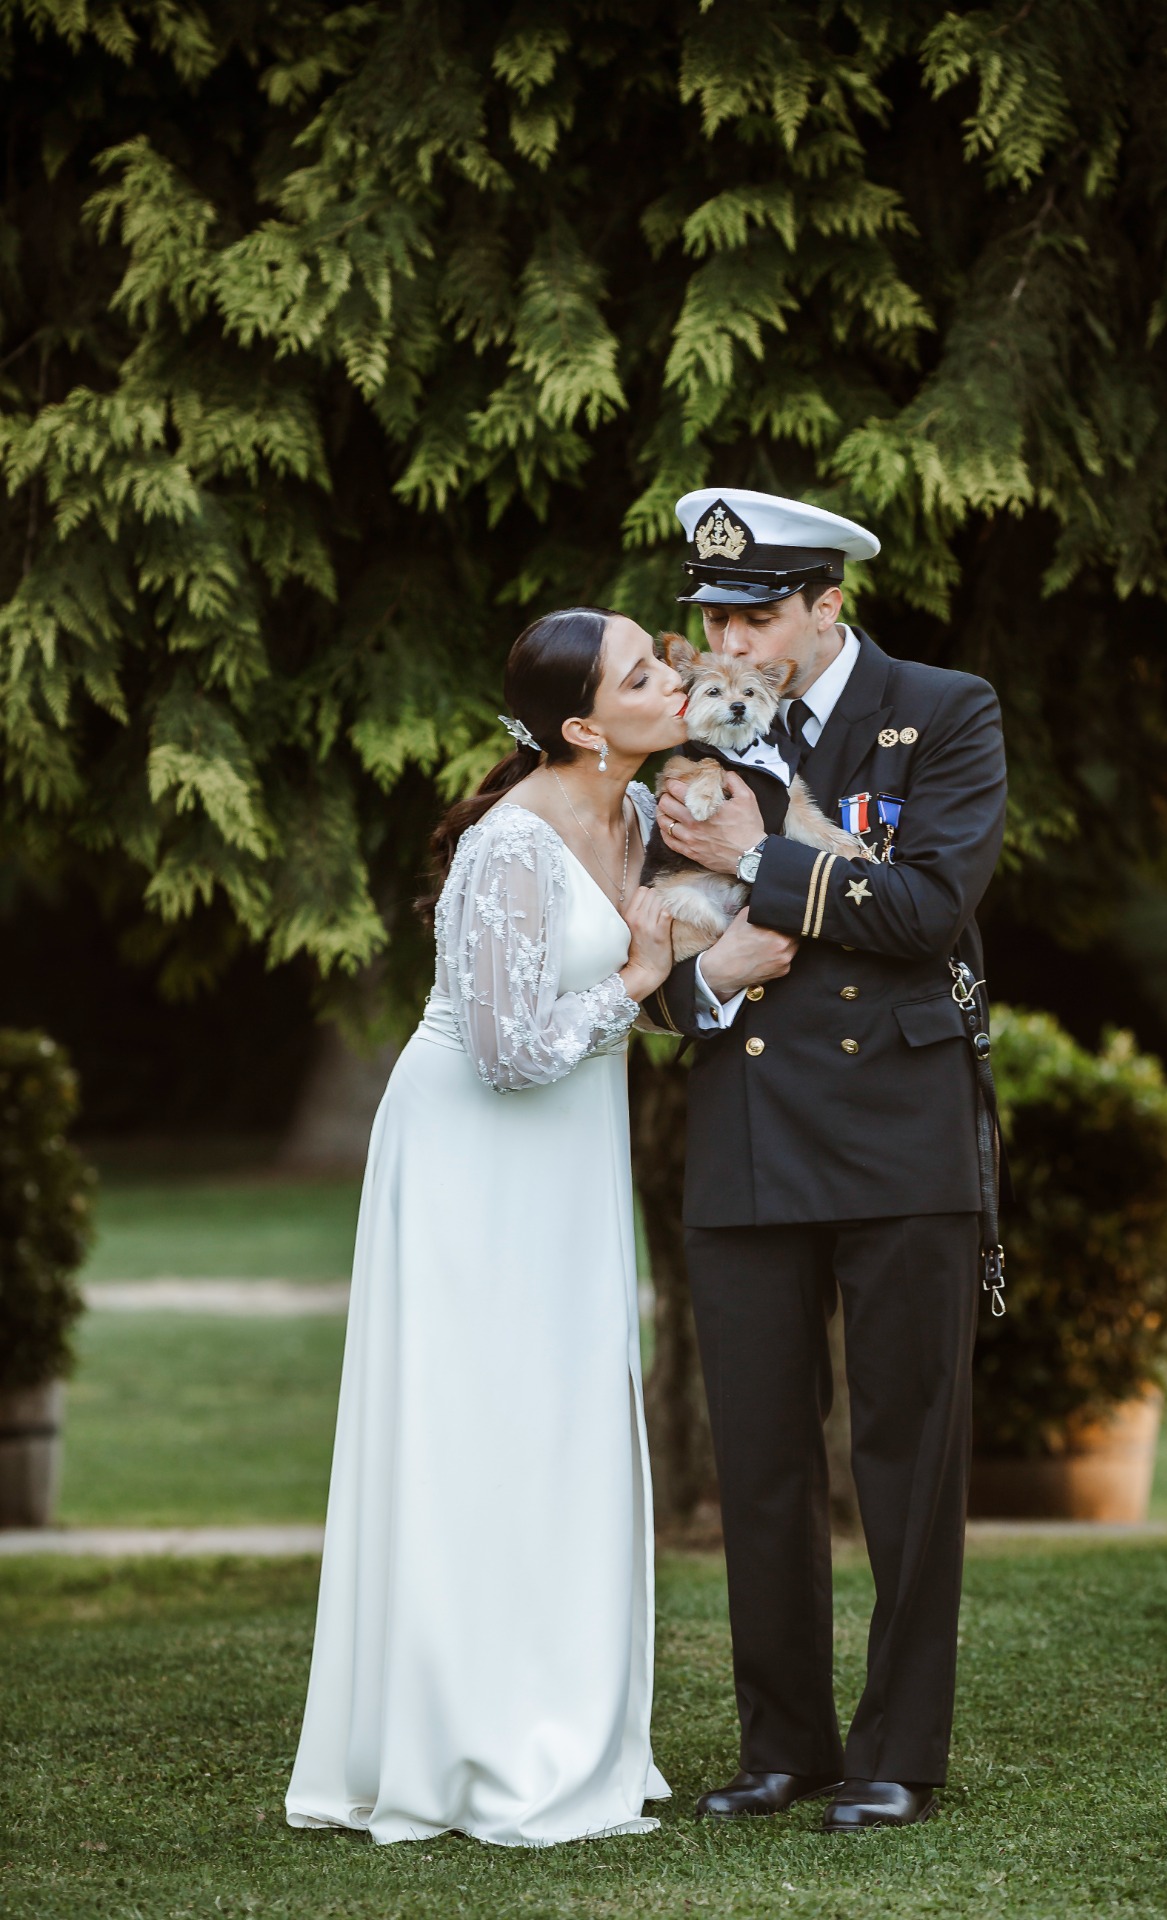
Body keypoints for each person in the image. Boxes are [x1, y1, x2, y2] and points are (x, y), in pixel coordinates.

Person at [286, 606, 686, 1848]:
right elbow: (509, 1052)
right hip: (473, 1151)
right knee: (478, 1424)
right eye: (641, 673)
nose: (672, 678)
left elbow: (628, 996)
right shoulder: (510, 844)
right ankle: (466, 1738)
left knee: (564, 1415)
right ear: (584, 726)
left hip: (566, 1149)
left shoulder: (636, 813)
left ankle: (566, 1715)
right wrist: (640, 974)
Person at [642, 488, 1007, 1831]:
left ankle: (898, 1750)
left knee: (905, 1452)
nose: (724, 643)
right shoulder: (686, 732)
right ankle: (781, 1745)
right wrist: (706, 982)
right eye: (711, 617)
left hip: (899, 1119)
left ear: (826, 605)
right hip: (744, 1124)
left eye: (753, 616)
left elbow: (925, 911)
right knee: (758, 1454)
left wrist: (763, 853)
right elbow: (647, 942)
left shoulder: (941, 711)